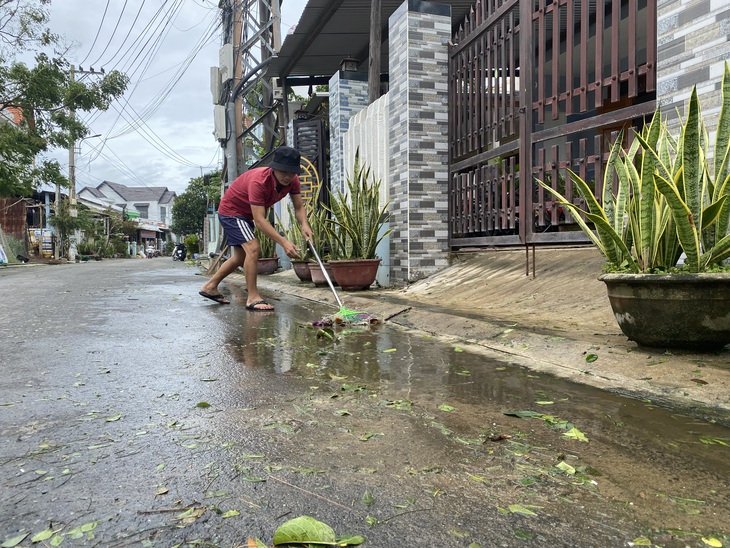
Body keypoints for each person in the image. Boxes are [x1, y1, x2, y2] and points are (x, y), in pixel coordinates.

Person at [199, 146, 313, 310]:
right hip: (232, 212)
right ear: (274, 168)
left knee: (239, 257)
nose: (287, 176)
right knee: (253, 248)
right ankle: (252, 297)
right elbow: (260, 220)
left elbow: (299, 207)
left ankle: (210, 286)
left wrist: (305, 225)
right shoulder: (259, 181)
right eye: (283, 172)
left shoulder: (292, 180)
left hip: (245, 215)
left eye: (291, 172)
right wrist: (284, 242)